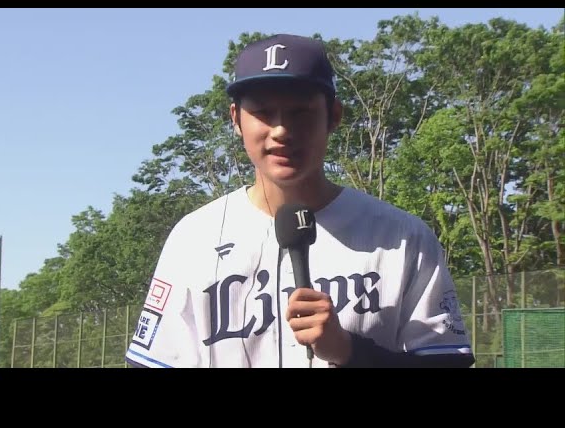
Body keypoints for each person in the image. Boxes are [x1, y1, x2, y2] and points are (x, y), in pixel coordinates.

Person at [125, 33, 475, 368]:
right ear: (236, 119)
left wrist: (349, 351)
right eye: (263, 112)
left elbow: (447, 362)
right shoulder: (194, 238)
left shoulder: (402, 237)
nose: (281, 131)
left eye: (300, 113)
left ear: (333, 116)